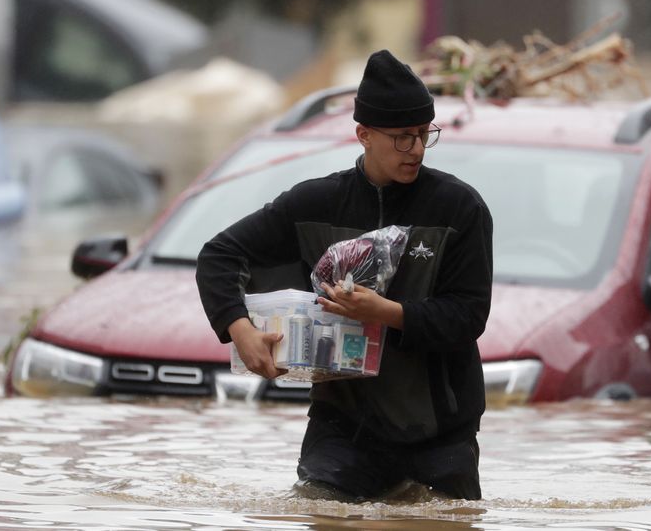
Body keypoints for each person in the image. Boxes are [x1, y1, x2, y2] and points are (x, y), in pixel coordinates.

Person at [196, 49, 494, 501]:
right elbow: (219, 255)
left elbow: (469, 316)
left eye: (423, 135)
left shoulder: (459, 209)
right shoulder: (314, 204)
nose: (415, 149)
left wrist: (388, 313)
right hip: (341, 431)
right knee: (319, 509)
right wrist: (239, 330)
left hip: (440, 433)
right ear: (363, 134)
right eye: (401, 138)